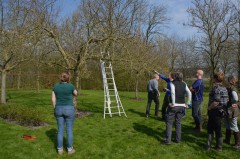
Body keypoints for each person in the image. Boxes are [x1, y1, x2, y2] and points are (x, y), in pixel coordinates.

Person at [52, 72, 78, 155]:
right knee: (69, 129)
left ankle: (60, 150)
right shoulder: (70, 86)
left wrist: (55, 108)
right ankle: (70, 150)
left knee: (60, 130)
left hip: (58, 108)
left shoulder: (55, 86)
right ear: (68, 78)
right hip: (69, 109)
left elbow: (53, 99)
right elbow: (76, 93)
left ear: (61, 78)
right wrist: (73, 95)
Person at [163, 72, 192, 145]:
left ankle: (168, 140)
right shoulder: (184, 83)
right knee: (178, 123)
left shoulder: (172, 83)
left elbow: (172, 92)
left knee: (169, 123)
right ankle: (178, 140)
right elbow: (189, 93)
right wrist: (188, 103)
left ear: (175, 77)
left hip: (174, 105)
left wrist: (173, 103)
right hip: (182, 106)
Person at [206, 72, 228, 151]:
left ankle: (212, 146)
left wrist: (209, 108)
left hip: (215, 111)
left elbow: (216, 101)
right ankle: (218, 147)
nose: (212, 79)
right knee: (218, 128)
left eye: (213, 78)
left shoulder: (216, 88)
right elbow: (226, 100)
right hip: (221, 111)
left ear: (215, 79)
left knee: (210, 128)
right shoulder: (224, 88)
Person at [224, 76, 240, 149]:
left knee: (234, 126)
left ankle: (238, 143)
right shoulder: (229, 88)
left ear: (231, 81)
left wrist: (235, 102)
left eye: (228, 80)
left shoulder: (233, 89)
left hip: (232, 110)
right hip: (228, 109)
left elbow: (236, 98)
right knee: (227, 125)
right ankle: (227, 140)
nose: (227, 81)